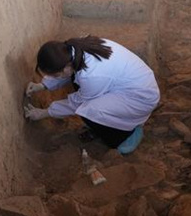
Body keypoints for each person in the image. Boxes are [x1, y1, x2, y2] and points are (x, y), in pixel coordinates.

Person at [23, 36, 160, 154]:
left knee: (88, 110)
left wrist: (45, 113)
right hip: (131, 84)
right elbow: (67, 72)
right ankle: (116, 122)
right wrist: (42, 85)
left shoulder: (91, 76)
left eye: (54, 75)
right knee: (80, 89)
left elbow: (76, 104)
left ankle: (126, 134)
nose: (55, 77)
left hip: (140, 98)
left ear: (65, 68)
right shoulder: (73, 49)